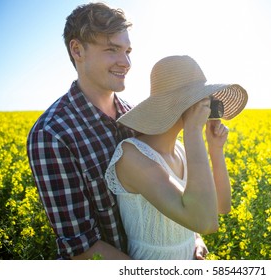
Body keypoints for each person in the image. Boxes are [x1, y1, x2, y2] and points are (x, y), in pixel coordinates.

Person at [27, 3, 209, 260]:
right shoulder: (52, 134)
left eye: (127, 51)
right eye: (112, 50)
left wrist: (192, 239)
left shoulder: (137, 118)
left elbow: (170, 187)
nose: (126, 62)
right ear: (77, 50)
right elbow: (82, 249)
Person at [105, 55, 248, 259]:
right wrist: (193, 132)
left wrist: (216, 149)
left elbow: (221, 207)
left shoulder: (180, 150)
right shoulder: (131, 156)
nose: (208, 107)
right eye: (203, 99)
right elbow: (204, 222)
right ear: (183, 104)